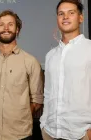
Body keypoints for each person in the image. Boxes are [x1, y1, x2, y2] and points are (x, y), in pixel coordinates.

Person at [0, 9, 44, 140]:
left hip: (20, 135)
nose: (6, 28)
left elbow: (37, 101)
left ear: (17, 29)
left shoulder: (31, 61)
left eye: (11, 24)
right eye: (1, 24)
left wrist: (20, 118)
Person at [40, 0, 91, 139]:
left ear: (81, 18)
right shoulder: (51, 55)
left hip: (81, 134)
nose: (65, 17)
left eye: (71, 13)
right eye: (61, 13)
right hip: (50, 133)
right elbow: (48, 93)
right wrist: (43, 123)